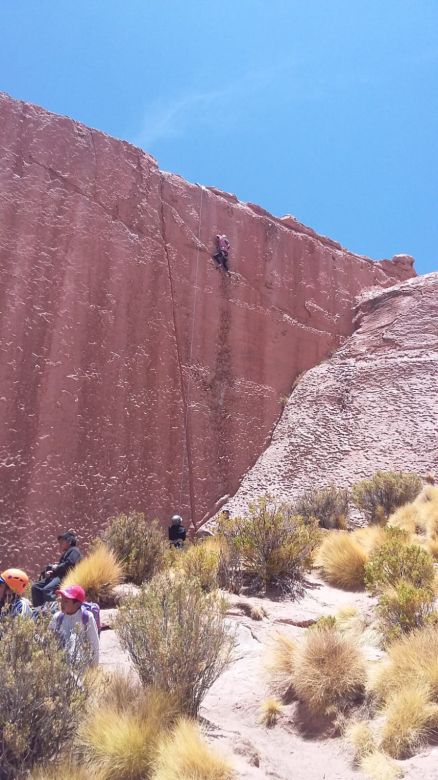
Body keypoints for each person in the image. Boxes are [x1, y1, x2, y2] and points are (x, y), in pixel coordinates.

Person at [50, 584, 99, 667]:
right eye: (62, 600)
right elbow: (50, 641)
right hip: (60, 663)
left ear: (77, 604)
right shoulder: (57, 618)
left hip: (81, 664)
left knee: (73, 637)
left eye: (66, 601)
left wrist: (94, 668)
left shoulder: (86, 617)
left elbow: (94, 643)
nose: (62, 604)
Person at [31, 530, 82, 607]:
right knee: (35, 587)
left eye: (62, 541)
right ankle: (38, 610)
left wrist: (57, 567)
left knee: (47, 590)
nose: (60, 544)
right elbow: (63, 565)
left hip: (64, 576)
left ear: (70, 541)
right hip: (57, 576)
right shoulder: (67, 552)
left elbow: (70, 564)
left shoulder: (74, 550)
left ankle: (56, 608)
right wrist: (52, 571)